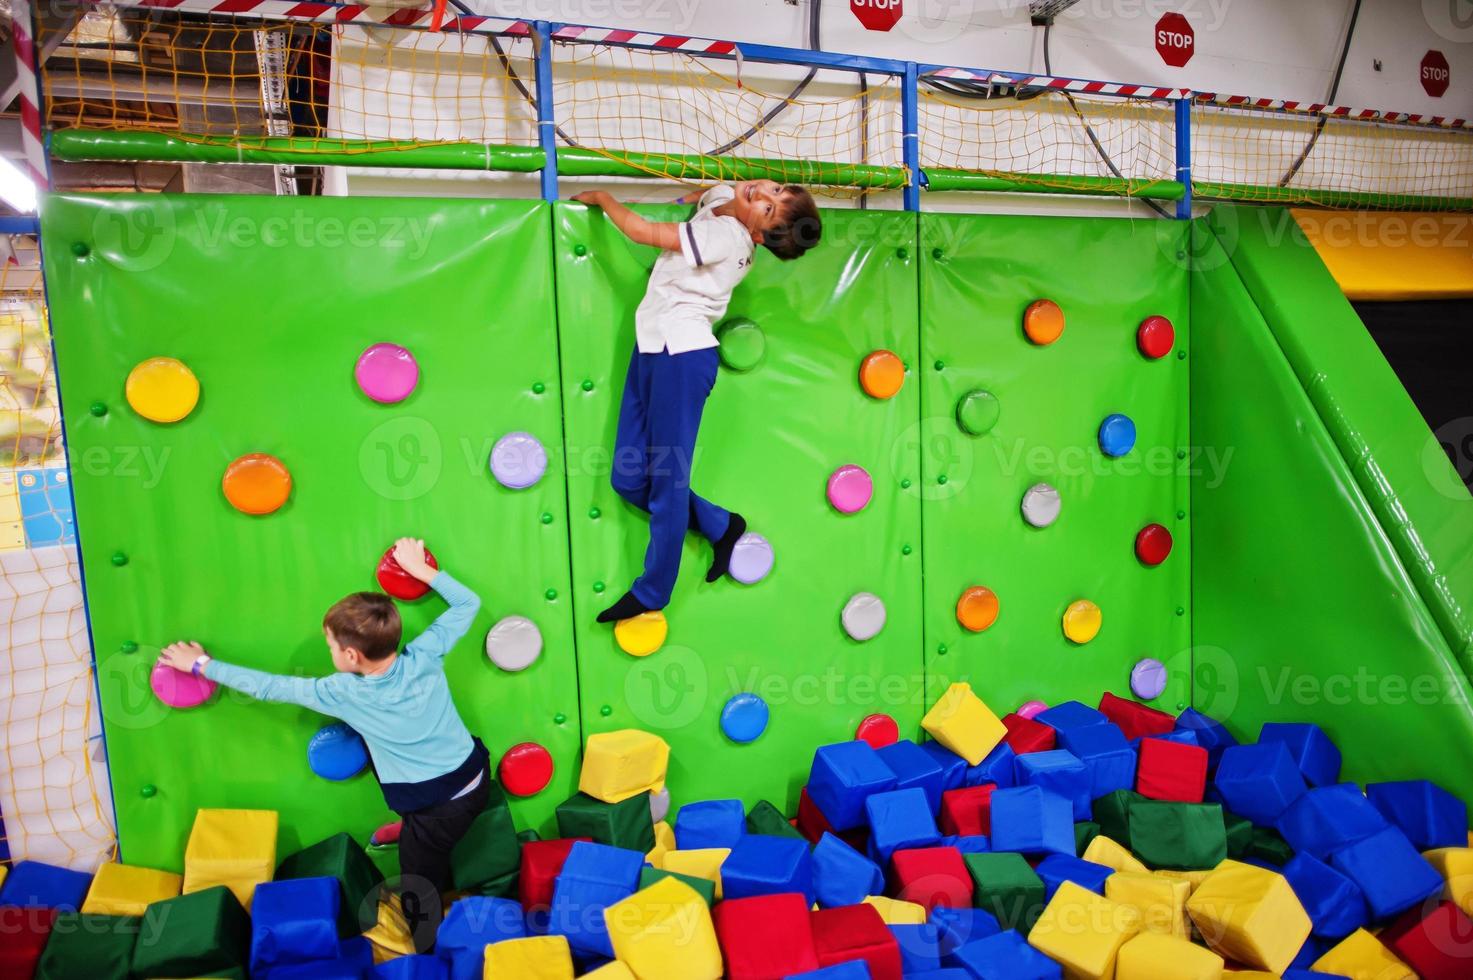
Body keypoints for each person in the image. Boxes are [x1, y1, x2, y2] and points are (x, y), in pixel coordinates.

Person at [157, 537, 483, 949]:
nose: (329, 650)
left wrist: (201, 665)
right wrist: (422, 571)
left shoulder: (342, 692)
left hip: (435, 807)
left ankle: (427, 950)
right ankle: (418, 832)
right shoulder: (425, 656)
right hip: (475, 774)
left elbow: (269, 687)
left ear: (350, 657)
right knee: (439, 818)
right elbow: (468, 604)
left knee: (420, 878)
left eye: (330, 645)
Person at [571, 180, 822, 625]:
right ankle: (722, 526)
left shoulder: (724, 238)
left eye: (768, 208)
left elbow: (645, 233)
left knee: (668, 485)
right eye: (774, 190)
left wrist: (603, 199)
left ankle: (653, 591)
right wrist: (702, 195)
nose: (762, 194)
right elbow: (719, 193)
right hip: (652, 347)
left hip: (681, 359)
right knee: (628, 480)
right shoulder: (731, 207)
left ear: (758, 236)